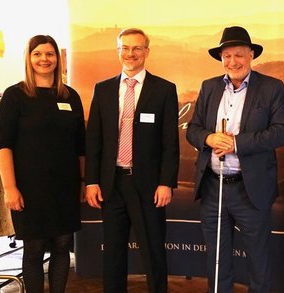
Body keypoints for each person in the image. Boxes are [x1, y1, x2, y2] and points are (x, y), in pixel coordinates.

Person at [186, 26, 284, 292]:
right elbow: (193, 129)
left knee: (258, 260)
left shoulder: (271, 88)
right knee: (217, 259)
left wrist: (236, 143)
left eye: (239, 55)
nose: (232, 62)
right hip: (213, 188)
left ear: (251, 55)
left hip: (250, 189)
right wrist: (209, 139)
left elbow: (281, 132)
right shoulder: (209, 87)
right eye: (227, 56)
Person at [85, 28, 179, 293]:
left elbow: (169, 143)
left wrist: (166, 183)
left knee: (153, 252)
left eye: (137, 48)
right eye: (125, 48)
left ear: (147, 52)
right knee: (113, 253)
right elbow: (94, 141)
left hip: (148, 187)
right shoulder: (102, 90)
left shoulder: (163, 90)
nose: (131, 54)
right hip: (111, 184)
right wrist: (92, 181)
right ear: (118, 51)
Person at [0, 35, 85, 293]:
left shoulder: (70, 96)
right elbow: (3, 145)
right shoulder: (15, 96)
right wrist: (10, 188)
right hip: (28, 188)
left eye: (49, 54)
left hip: (65, 186)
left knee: (61, 246)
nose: (44, 59)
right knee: (34, 249)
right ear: (29, 57)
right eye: (38, 54)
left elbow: (81, 147)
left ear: (57, 58)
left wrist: (81, 181)